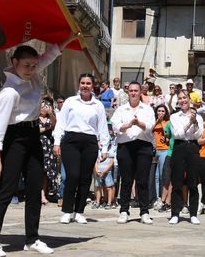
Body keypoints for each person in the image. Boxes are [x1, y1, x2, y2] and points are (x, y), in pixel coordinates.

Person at [0, 33, 77, 257]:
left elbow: (48, 56)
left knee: (35, 188)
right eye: (26, 65)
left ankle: (32, 239)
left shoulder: (32, 75)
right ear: (14, 62)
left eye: (34, 65)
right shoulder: (9, 93)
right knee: (6, 189)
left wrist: (67, 39)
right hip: (14, 138)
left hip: (33, 134)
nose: (31, 69)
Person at [54, 73, 110, 225]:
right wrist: (57, 142)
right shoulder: (70, 102)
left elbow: (102, 127)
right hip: (71, 141)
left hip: (90, 142)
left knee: (85, 178)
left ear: (92, 86)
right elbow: (61, 123)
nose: (85, 86)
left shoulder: (97, 105)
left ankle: (79, 212)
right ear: (79, 85)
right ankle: (67, 211)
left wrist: (104, 148)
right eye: (83, 83)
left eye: (88, 83)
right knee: (72, 175)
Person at [111, 81, 155, 224]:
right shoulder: (121, 109)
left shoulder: (147, 109)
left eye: (136, 90)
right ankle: (124, 210)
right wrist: (128, 125)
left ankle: (144, 212)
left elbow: (150, 126)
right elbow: (115, 127)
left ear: (140, 92)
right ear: (128, 92)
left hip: (143, 146)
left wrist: (138, 123)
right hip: (125, 146)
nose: (134, 93)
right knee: (126, 180)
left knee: (142, 181)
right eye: (131, 91)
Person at [168, 90, 203, 224]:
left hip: (192, 147)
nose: (182, 100)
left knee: (193, 181)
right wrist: (189, 122)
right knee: (176, 181)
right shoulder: (175, 117)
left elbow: (198, 135)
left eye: (185, 98)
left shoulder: (198, 117)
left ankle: (193, 213)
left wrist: (195, 122)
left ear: (189, 100)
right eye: (180, 98)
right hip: (179, 147)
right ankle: (175, 213)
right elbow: (177, 134)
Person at [37, 98, 59, 204]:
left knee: (46, 172)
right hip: (37, 145)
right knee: (37, 171)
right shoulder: (35, 118)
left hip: (48, 146)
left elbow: (55, 125)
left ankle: (43, 194)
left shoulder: (50, 118)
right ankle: (36, 193)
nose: (44, 109)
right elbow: (37, 130)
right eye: (42, 107)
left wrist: (51, 114)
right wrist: (47, 128)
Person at [152, 104, 172, 211]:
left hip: (164, 150)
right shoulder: (153, 121)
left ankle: (163, 198)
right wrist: (156, 121)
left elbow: (167, 133)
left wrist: (161, 123)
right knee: (155, 177)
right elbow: (150, 130)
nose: (160, 113)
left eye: (163, 111)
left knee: (162, 175)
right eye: (159, 111)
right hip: (154, 150)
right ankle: (157, 198)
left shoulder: (167, 123)